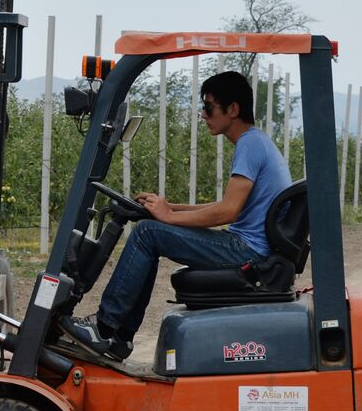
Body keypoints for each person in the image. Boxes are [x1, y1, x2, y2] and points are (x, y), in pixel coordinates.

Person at [60, 70, 292, 361]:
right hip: (249, 247)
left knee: (147, 233)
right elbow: (226, 205)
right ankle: (119, 338)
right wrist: (169, 208)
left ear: (233, 110)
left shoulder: (249, 144)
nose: (204, 115)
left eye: (209, 107)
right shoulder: (257, 142)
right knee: (151, 230)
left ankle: (105, 328)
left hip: (247, 252)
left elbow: (227, 211)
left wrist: (167, 218)